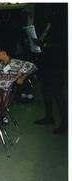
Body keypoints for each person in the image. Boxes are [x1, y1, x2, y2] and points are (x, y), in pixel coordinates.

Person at [32, 5, 68, 134]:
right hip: (46, 63)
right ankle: (49, 117)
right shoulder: (47, 25)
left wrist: (45, 44)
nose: (45, 12)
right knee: (45, 90)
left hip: (57, 65)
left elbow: (63, 45)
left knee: (58, 94)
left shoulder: (61, 24)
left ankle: (65, 124)